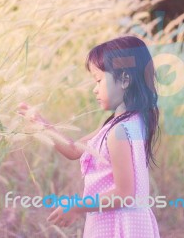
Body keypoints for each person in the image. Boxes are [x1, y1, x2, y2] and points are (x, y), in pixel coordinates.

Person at [18, 35, 161, 237]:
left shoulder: (119, 132)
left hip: (118, 226)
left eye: (99, 80)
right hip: (126, 221)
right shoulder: (128, 123)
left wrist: (76, 206)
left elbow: (124, 194)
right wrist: (42, 125)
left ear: (125, 79)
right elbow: (74, 150)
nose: (95, 89)